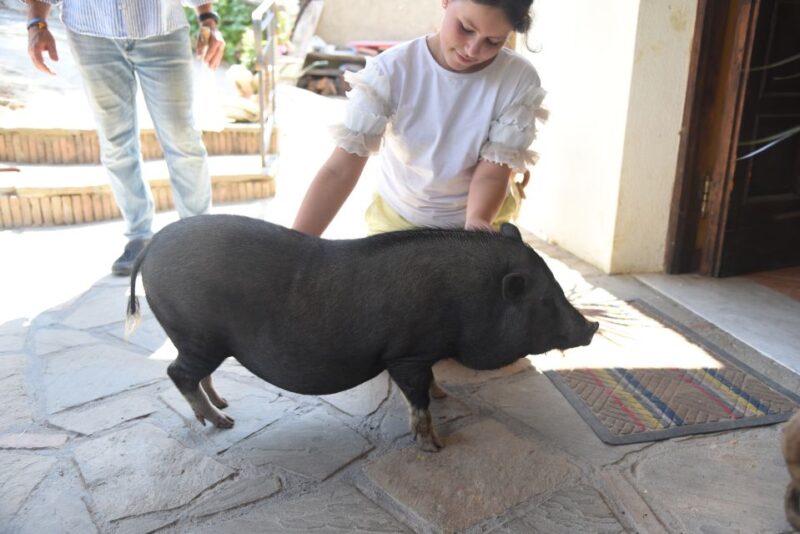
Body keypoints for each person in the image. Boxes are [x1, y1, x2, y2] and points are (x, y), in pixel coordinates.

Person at [292, 0, 546, 237]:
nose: (472, 49)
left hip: (482, 220)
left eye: (493, 41)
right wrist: (296, 246)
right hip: (400, 220)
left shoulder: (518, 80)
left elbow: (492, 173)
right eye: (466, 28)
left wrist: (477, 229)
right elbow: (340, 170)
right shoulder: (391, 72)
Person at [25, 0, 225, 275]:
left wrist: (208, 18)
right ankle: (138, 236)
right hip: (92, 32)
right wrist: (36, 23)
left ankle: (197, 238)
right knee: (116, 141)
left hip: (161, 28)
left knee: (182, 138)